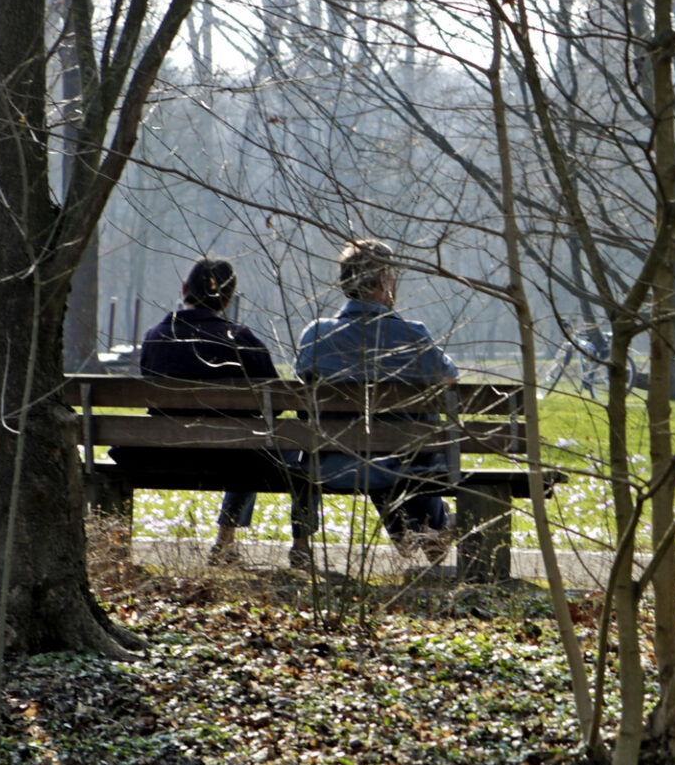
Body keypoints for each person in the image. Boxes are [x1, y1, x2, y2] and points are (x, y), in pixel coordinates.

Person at [292, 238, 458, 567]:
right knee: (413, 430)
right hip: (399, 463)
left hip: (330, 465)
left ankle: (301, 543)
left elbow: (301, 385)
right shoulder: (413, 335)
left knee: (372, 439)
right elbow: (449, 378)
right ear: (383, 281)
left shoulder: (316, 335)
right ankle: (435, 528)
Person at [122, 257, 289, 566]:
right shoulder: (241, 339)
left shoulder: (155, 337)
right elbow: (276, 404)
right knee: (253, 442)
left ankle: (115, 550)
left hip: (163, 453)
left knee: (248, 443)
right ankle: (225, 541)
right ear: (227, 300)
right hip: (232, 459)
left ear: (184, 289)